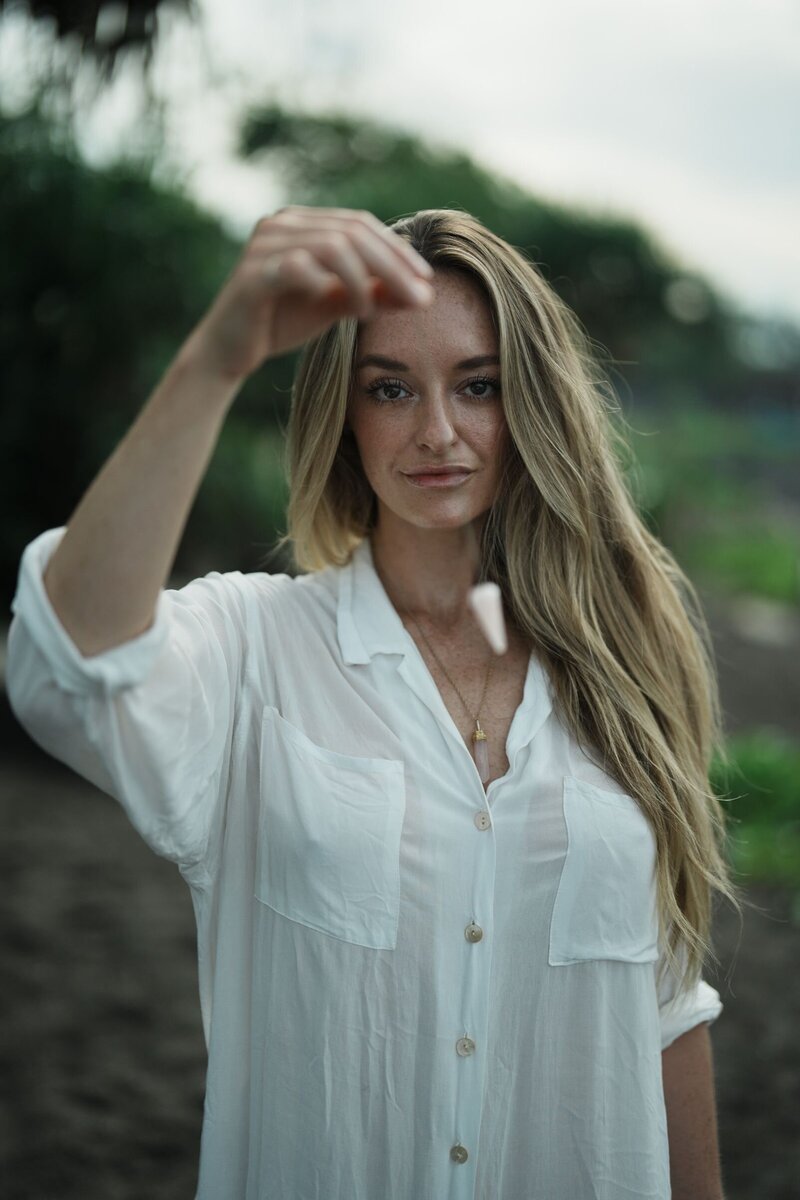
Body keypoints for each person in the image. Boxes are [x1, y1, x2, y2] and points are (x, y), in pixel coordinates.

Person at [6, 205, 738, 1198]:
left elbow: (663, 1010)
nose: (436, 432)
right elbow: (67, 666)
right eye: (389, 388)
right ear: (342, 415)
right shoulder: (256, 648)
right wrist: (219, 357)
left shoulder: (627, 667)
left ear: (529, 400)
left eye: (476, 386)